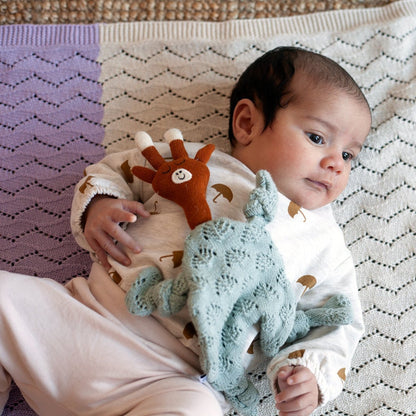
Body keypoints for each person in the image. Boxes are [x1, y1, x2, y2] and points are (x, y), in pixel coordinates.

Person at [0, 46, 371, 416]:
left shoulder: (325, 244)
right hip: (82, 317)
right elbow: (114, 171)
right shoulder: (190, 162)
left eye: (349, 155)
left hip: (171, 379)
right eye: (318, 138)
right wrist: (98, 207)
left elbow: (341, 321)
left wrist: (309, 371)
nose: (335, 164)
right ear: (247, 124)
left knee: (196, 409)